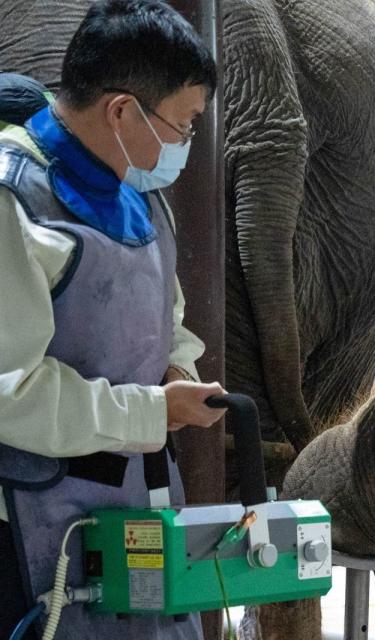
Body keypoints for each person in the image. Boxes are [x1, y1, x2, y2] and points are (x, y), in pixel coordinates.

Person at [0, 2, 226, 638]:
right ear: (123, 111)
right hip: (25, 527)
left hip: (135, 503)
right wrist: (152, 413)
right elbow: (9, 391)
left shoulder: (139, 197)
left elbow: (164, 313)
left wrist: (179, 363)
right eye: (182, 126)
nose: (182, 145)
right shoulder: (13, 199)